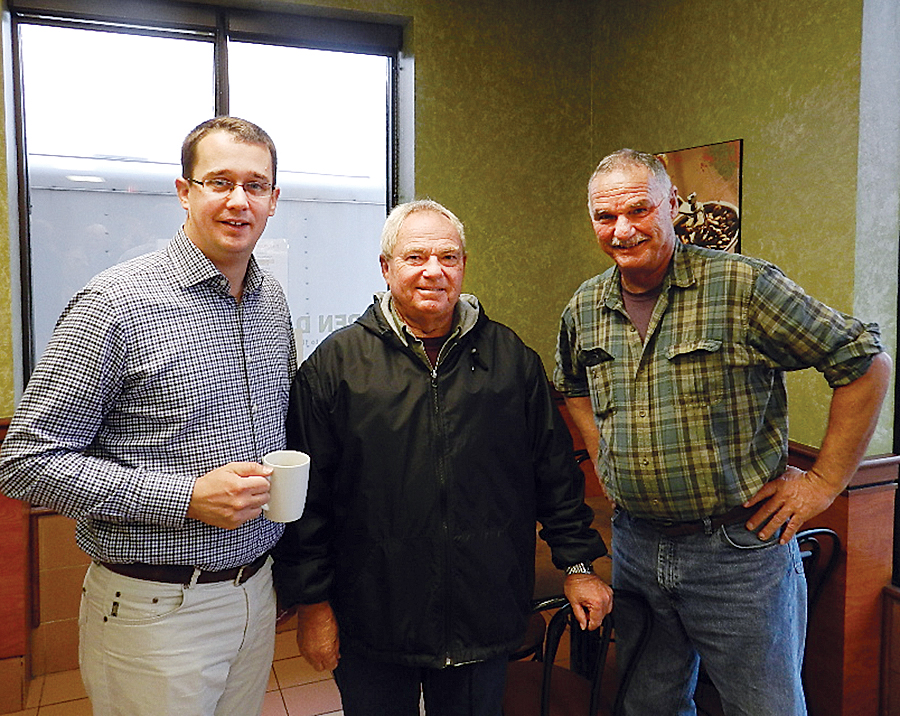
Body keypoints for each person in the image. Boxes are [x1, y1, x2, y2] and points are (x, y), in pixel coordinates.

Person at [554, 148, 891, 716]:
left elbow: (864, 363)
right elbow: (572, 386)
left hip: (737, 553)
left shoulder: (742, 286)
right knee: (649, 705)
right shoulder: (587, 305)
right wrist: (602, 455)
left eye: (639, 210)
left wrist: (824, 483)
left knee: (764, 708)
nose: (623, 229)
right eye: (605, 217)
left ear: (674, 207)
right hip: (637, 547)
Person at [0, 117, 296, 716]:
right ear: (185, 192)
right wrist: (183, 497)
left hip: (256, 594)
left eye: (255, 185)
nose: (239, 200)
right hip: (153, 611)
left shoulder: (273, 303)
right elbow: (25, 463)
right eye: (219, 181)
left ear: (273, 200)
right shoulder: (115, 303)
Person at [272, 199, 612, 716]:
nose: (434, 271)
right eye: (415, 257)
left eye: (448, 257)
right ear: (386, 268)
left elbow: (555, 475)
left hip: (482, 621)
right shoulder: (334, 367)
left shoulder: (511, 360)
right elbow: (307, 505)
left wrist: (579, 564)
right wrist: (314, 604)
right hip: (373, 623)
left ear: (464, 266)